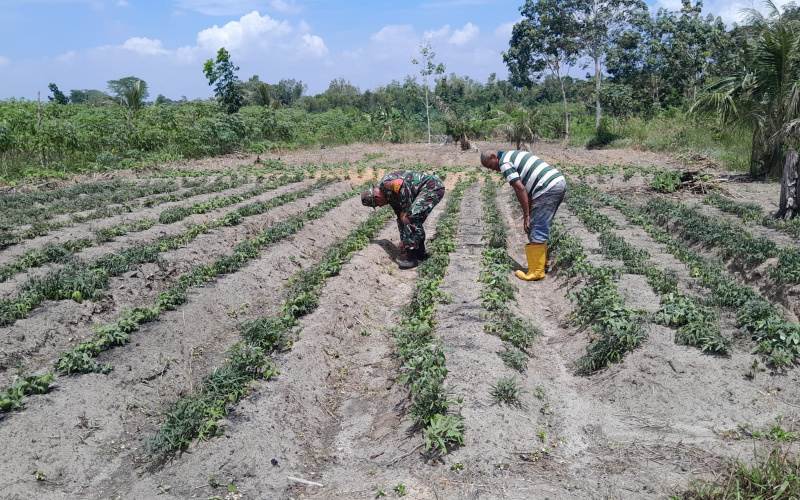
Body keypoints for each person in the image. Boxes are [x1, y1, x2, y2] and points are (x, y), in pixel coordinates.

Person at [480, 149, 566, 281]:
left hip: (546, 187)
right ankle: (542, 264)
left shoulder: (504, 163)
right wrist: (529, 211)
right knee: (538, 223)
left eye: (491, 166)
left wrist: (526, 215)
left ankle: (536, 272)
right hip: (556, 182)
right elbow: (528, 189)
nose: (494, 170)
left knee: (536, 226)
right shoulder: (512, 155)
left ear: (493, 156)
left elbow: (520, 188)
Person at [361, 171, 445, 269]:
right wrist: (403, 239)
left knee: (410, 217)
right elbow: (400, 218)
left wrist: (406, 243)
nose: (379, 206)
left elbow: (401, 184)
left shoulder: (387, 184)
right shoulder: (389, 197)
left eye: (377, 204)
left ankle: (411, 257)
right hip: (425, 190)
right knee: (408, 219)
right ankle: (420, 253)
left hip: (432, 187)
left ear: (376, 197)